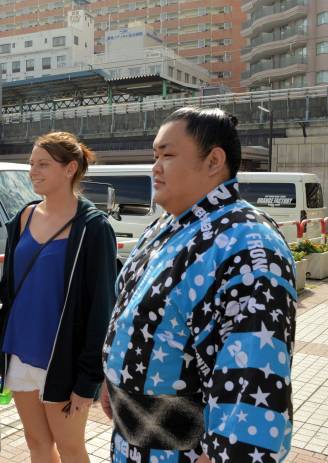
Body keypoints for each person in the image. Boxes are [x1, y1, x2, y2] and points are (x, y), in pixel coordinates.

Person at [101, 107, 296, 463]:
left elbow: (252, 375)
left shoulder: (249, 245)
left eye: (168, 155)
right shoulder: (165, 227)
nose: (155, 167)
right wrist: (113, 383)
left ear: (214, 160)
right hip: (133, 442)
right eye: (155, 155)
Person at [0, 131, 118, 463]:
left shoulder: (93, 228)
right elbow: (8, 290)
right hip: (19, 351)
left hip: (63, 359)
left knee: (71, 447)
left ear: (70, 168)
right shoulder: (24, 217)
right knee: (37, 443)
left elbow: (102, 308)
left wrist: (88, 379)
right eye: (31, 163)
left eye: (43, 164)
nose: (33, 171)